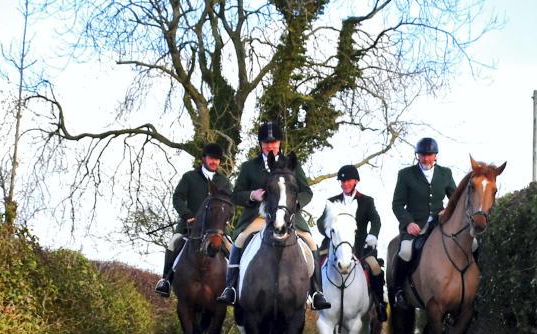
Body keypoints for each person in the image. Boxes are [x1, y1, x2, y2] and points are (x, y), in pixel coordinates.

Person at [217, 121, 331, 310]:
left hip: (288, 218)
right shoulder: (249, 167)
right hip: (259, 217)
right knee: (240, 240)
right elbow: (236, 195)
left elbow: (306, 192)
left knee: (311, 243)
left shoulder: (292, 165)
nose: (270, 146)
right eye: (266, 142)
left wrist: (295, 203)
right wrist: (251, 195)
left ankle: (317, 292)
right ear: (260, 144)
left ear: (279, 143)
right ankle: (230, 288)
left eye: (274, 142)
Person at [154, 142, 232, 297]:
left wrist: (226, 218)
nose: (214, 162)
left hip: (216, 227)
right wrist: (187, 215)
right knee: (173, 243)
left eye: (217, 159)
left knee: (232, 248)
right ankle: (166, 280)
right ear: (204, 158)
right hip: (190, 225)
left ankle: (232, 287)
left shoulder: (224, 181)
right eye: (211, 158)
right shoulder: (189, 177)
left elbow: (231, 203)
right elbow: (177, 198)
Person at [317, 164, 388, 322]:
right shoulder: (332, 201)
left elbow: (376, 220)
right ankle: (316, 296)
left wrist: (373, 234)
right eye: (343, 181)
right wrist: (327, 231)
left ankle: (379, 303)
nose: (345, 184)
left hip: (360, 246)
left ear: (356, 181)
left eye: (349, 181)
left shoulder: (367, 201)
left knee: (375, 268)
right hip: (334, 245)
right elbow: (321, 221)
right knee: (316, 263)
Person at [391, 137, 456, 306]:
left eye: (429, 155)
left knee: (471, 244)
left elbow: (455, 199)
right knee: (405, 251)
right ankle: (398, 290)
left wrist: (447, 211)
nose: (426, 159)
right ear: (417, 156)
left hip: (440, 224)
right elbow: (397, 204)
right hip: (415, 226)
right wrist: (408, 223)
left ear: (435, 156)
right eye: (422, 155)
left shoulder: (446, 173)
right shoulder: (405, 174)